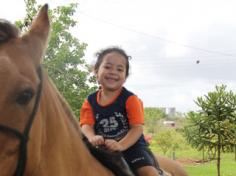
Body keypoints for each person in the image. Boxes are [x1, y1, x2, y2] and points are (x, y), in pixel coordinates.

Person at [80, 47, 159, 176]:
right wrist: (91, 137)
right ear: (96, 71)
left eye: (119, 69)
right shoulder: (90, 101)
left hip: (131, 147)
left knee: (148, 173)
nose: (113, 72)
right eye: (108, 67)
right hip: (102, 147)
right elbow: (86, 125)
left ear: (125, 77)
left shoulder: (130, 99)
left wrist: (121, 145)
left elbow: (136, 128)